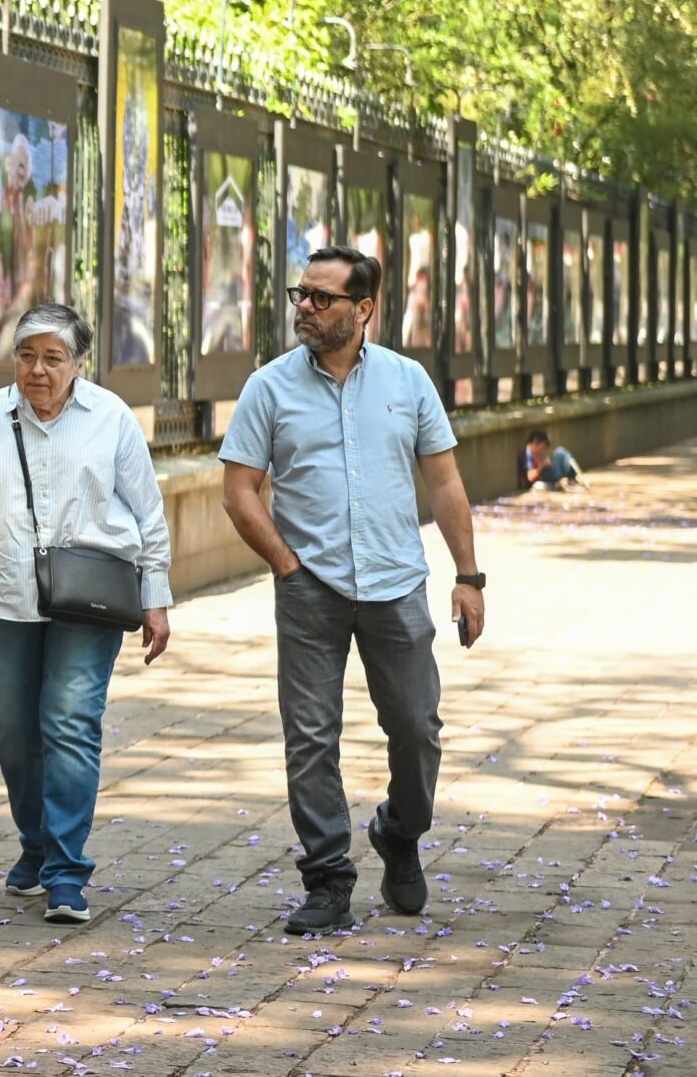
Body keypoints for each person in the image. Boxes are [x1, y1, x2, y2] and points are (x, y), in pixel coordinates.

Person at [219, 248, 486, 936]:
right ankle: (328, 877)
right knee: (310, 736)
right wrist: (286, 565)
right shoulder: (269, 387)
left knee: (417, 728)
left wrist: (468, 576)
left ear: (363, 308)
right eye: (301, 294)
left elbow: (445, 481)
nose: (305, 308)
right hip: (310, 587)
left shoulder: (407, 380)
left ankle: (400, 830)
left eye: (322, 298)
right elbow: (239, 491)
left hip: (395, 583)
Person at [0, 303, 174, 926]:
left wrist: (156, 597)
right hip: (7, 598)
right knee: (10, 724)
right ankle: (36, 844)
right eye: (26, 355)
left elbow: (148, 513)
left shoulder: (110, 418)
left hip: (89, 599)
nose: (37, 369)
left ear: (79, 364)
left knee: (68, 720)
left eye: (52, 358)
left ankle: (65, 871)